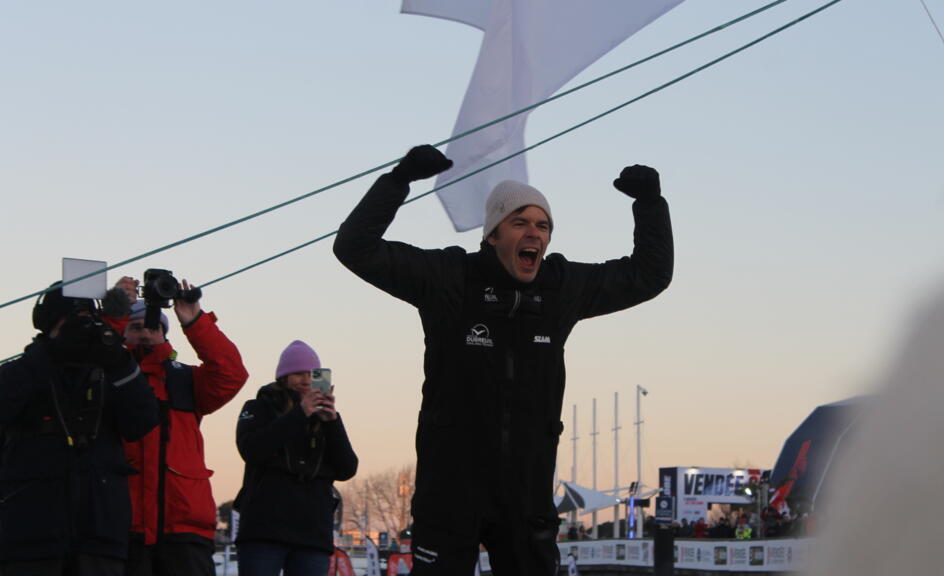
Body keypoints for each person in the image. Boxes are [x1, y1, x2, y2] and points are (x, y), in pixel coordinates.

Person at [333, 145, 673, 575]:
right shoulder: (450, 278)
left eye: (543, 226)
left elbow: (649, 276)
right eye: (520, 223)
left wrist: (649, 205)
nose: (535, 233)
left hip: (526, 491)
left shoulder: (560, 288)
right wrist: (399, 180)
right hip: (451, 487)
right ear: (493, 234)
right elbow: (355, 248)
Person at [0, 283, 159, 575]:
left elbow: (144, 420)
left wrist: (117, 359)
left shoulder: (111, 371)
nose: (81, 330)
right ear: (49, 325)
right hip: (29, 535)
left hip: (100, 536)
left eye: (88, 321)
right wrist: (49, 354)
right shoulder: (24, 370)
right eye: (72, 322)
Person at [106, 275, 249, 576]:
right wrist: (114, 314)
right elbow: (89, 362)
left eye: (154, 327)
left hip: (184, 526)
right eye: (136, 327)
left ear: (165, 334)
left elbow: (231, 374)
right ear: (122, 334)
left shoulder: (185, 380)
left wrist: (195, 320)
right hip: (123, 525)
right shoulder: (105, 377)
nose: (146, 333)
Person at [233, 340, 359, 576]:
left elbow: (347, 469)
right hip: (264, 529)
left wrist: (332, 422)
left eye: (313, 374)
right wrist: (300, 413)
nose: (306, 380)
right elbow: (252, 450)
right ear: (283, 377)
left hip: (312, 533)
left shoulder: (325, 419)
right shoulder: (259, 407)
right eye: (298, 374)